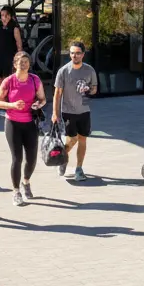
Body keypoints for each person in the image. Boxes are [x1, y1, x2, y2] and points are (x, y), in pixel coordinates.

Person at [0, 50, 46, 206]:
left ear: (29, 64)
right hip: (13, 123)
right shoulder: (9, 81)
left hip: (30, 123)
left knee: (31, 159)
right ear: (15, 64)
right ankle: (16, 191)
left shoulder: (34, 80)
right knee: (17, 158)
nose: (23, 64)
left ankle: (26, 181)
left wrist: (38, 104)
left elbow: (43, 99)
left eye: (26, 62)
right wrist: (12, 105)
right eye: (20, 62)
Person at [52, 40, 98, 181]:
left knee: (82, 139)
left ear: (83, 54)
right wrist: (55, 113)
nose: (74, 56)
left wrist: (88, 89)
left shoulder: (89, 70)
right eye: (72, 53)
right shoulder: (63, 71)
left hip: (84, 111)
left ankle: (79, 168)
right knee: (72, 139)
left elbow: (94, 89)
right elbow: (57, 94)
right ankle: (63, 158)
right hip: (68, 112)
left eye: (78, 53)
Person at [0, 5, 24, 90]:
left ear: (11, 16)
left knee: (7, 78)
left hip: (10, 56)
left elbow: (19, 45)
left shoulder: (14, 27)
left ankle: (8, 97)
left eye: (6, 15)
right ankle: (0, 97)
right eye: (2, 15)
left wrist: (19, 58)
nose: (4, 18)